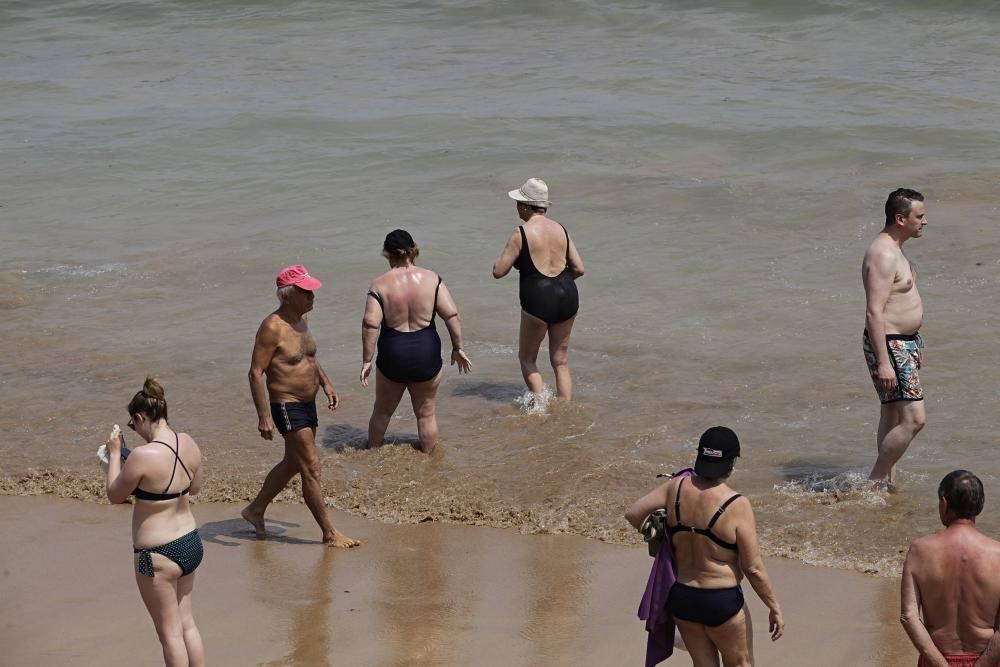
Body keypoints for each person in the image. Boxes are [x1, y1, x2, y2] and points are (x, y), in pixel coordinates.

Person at [625, 427, 784, 666]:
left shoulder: (675, 487)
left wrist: (662, 543)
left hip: (681, 596)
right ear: (732, 463)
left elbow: (633, 513)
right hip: (721, 601)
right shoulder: (737, 504)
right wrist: (774, 607)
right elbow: (753, 568)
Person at [241, 265, 360, 548]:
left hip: (308, 403)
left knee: (293, 462)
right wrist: (263, 416)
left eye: (312, 291)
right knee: (311, 466)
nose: (311, 297)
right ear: (287, 295)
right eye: (305, 292)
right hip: (286, 404)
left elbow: (309, 358)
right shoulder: (272, 327)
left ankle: (255, 510)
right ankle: (330, 533)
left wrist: (326, 384)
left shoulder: (302, 319)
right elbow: (255, 372)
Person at [104, 377, 205, 667]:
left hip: (156, 555)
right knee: (187, 625)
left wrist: (113, 455)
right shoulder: (188, 442)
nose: (134, 431)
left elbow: (114, 495)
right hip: (190, 543)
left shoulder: (141, 456)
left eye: (133, 426)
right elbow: (195, 487)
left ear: (140, 417)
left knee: (170, 635)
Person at [361, 229, 472, 453]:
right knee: (426, 413)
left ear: (387, 254)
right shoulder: (432, 279)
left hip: (393, 353)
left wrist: (367, 360)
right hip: (426, 351)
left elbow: (370, 324)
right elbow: (451, 315)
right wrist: (457, 347)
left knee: (382, 411)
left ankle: (370, 457)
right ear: (412, 251)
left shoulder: (380, 284)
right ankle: (430, 462)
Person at [492, 178, 584, 401]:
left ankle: (541, 406)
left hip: (538, 300)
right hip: (567, 295)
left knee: (527, 358)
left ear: (526, 206)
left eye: (518, 203)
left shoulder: (521, 233)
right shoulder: (561, 229)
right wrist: (558, 283)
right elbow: (579, 269)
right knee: (560, 360)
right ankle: (563, 409)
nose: (516, 208)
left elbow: (498, 271)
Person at [862, 188, 928, 486]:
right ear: (900, 219)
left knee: (890, 414)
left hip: (903, 343)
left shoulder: (896, 248)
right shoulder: (882, 254)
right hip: (890, 344)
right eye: (920, 216)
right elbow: (874, 312)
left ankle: (887, 481)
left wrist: (914, 344)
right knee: (915, 419)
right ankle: (875, 480)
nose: (925, 221)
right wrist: (885, 362)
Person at [901, 470, 1000, 667]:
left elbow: (908, 616)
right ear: (979, 506)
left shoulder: (920, 551)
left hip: (936, 660)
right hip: (988, 659)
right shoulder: (998, 554)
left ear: (944, 503)